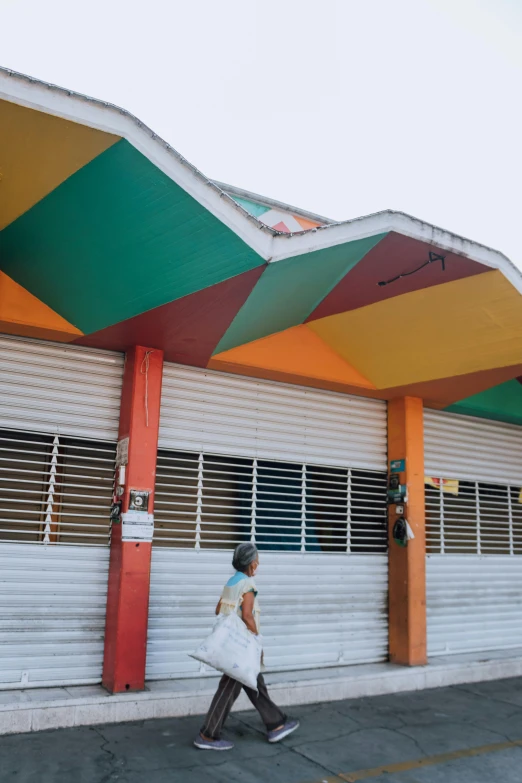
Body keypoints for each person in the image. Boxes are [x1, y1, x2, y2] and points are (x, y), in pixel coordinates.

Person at [194, 542, 299, 751]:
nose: (258, 563)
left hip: (232, 646)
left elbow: (219, 609)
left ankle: (276, 723)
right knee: (229, 690)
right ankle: (208, 734)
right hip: (241, 648)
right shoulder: (248, 585)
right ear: (251, 564)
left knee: (256, 685)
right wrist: (257, 640)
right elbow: (248, 615)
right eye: (257, 560)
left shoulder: (231, 583)